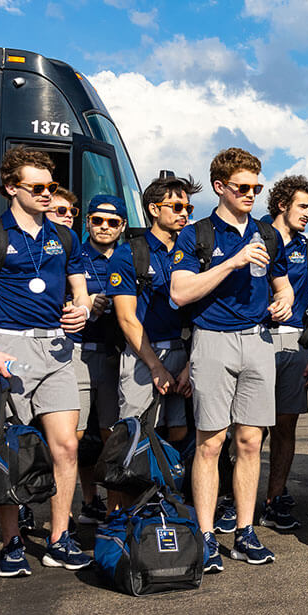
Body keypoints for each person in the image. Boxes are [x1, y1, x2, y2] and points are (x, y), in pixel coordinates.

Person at [0, 147, 91, 576]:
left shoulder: (64, 236)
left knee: (67, 445)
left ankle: (59, 538)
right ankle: (13, 541)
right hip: (8, 348)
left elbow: (80, 287)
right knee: (12, 450)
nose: (46, 194)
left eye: (50, 186)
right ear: (11, 188)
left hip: (56, 350)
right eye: (36, 187)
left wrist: (83, 307)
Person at [170, 147, 293, 572]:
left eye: (256, 187)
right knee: (210, 442)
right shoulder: (198, 234)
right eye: (242, 187)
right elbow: (180, 292)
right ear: (220, 187)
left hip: (258, 340)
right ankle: (206, 535)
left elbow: (283, 283)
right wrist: (234, 261)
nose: (251, 194)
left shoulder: (266, 232)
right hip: (213, 340)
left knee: (250, 441)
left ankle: (244, 531)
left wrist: (284, 299)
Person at [108, 174, 197, 470]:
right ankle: (124, 511)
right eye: (176, 206)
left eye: (188, 208)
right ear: (153, 209)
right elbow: (126, 317)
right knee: (134, 434)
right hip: (142, 356)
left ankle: (169, 503)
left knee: (180, 432)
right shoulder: (130, 253)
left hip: (182, 353)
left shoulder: (194, 253)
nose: (184, 213)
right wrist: (155, 366)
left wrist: (189, 365)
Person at [261, 175, 308, 531]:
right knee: (247, 429)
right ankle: (232, 499)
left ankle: (275, 499)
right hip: (254, 339)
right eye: (302, 206)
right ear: (282, 204)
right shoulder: (253, 238)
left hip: (297, 344)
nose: (307, 214)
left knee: (285, 426)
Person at [70, 195, 126, 525]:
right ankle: (88, 500)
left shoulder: (129, 256)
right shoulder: (74, 254)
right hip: (77, 351)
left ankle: (113, 506)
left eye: (113, 222)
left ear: (122, 225)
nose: (104, 227)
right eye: (97, 220)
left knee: (110, 433)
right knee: (76, 435)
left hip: (114, 355)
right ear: (87, 221)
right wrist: (83, 300)